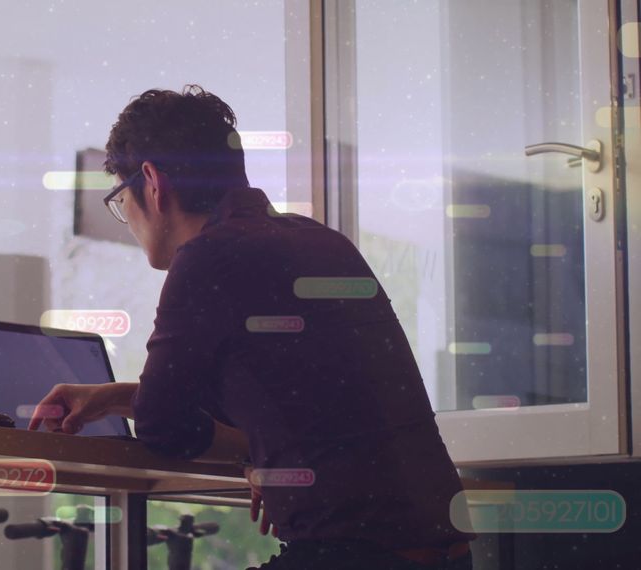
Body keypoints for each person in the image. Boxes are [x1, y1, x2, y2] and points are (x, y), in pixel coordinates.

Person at [28, 85, 475, 570]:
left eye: (120, 198)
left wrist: (256, 453)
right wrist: (113, 399)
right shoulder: (319, 240)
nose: (126, 217)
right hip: (445, 553)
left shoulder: (209, 258)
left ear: (152, 183)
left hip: (355, 556)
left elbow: (163, 426)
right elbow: (303, 409)